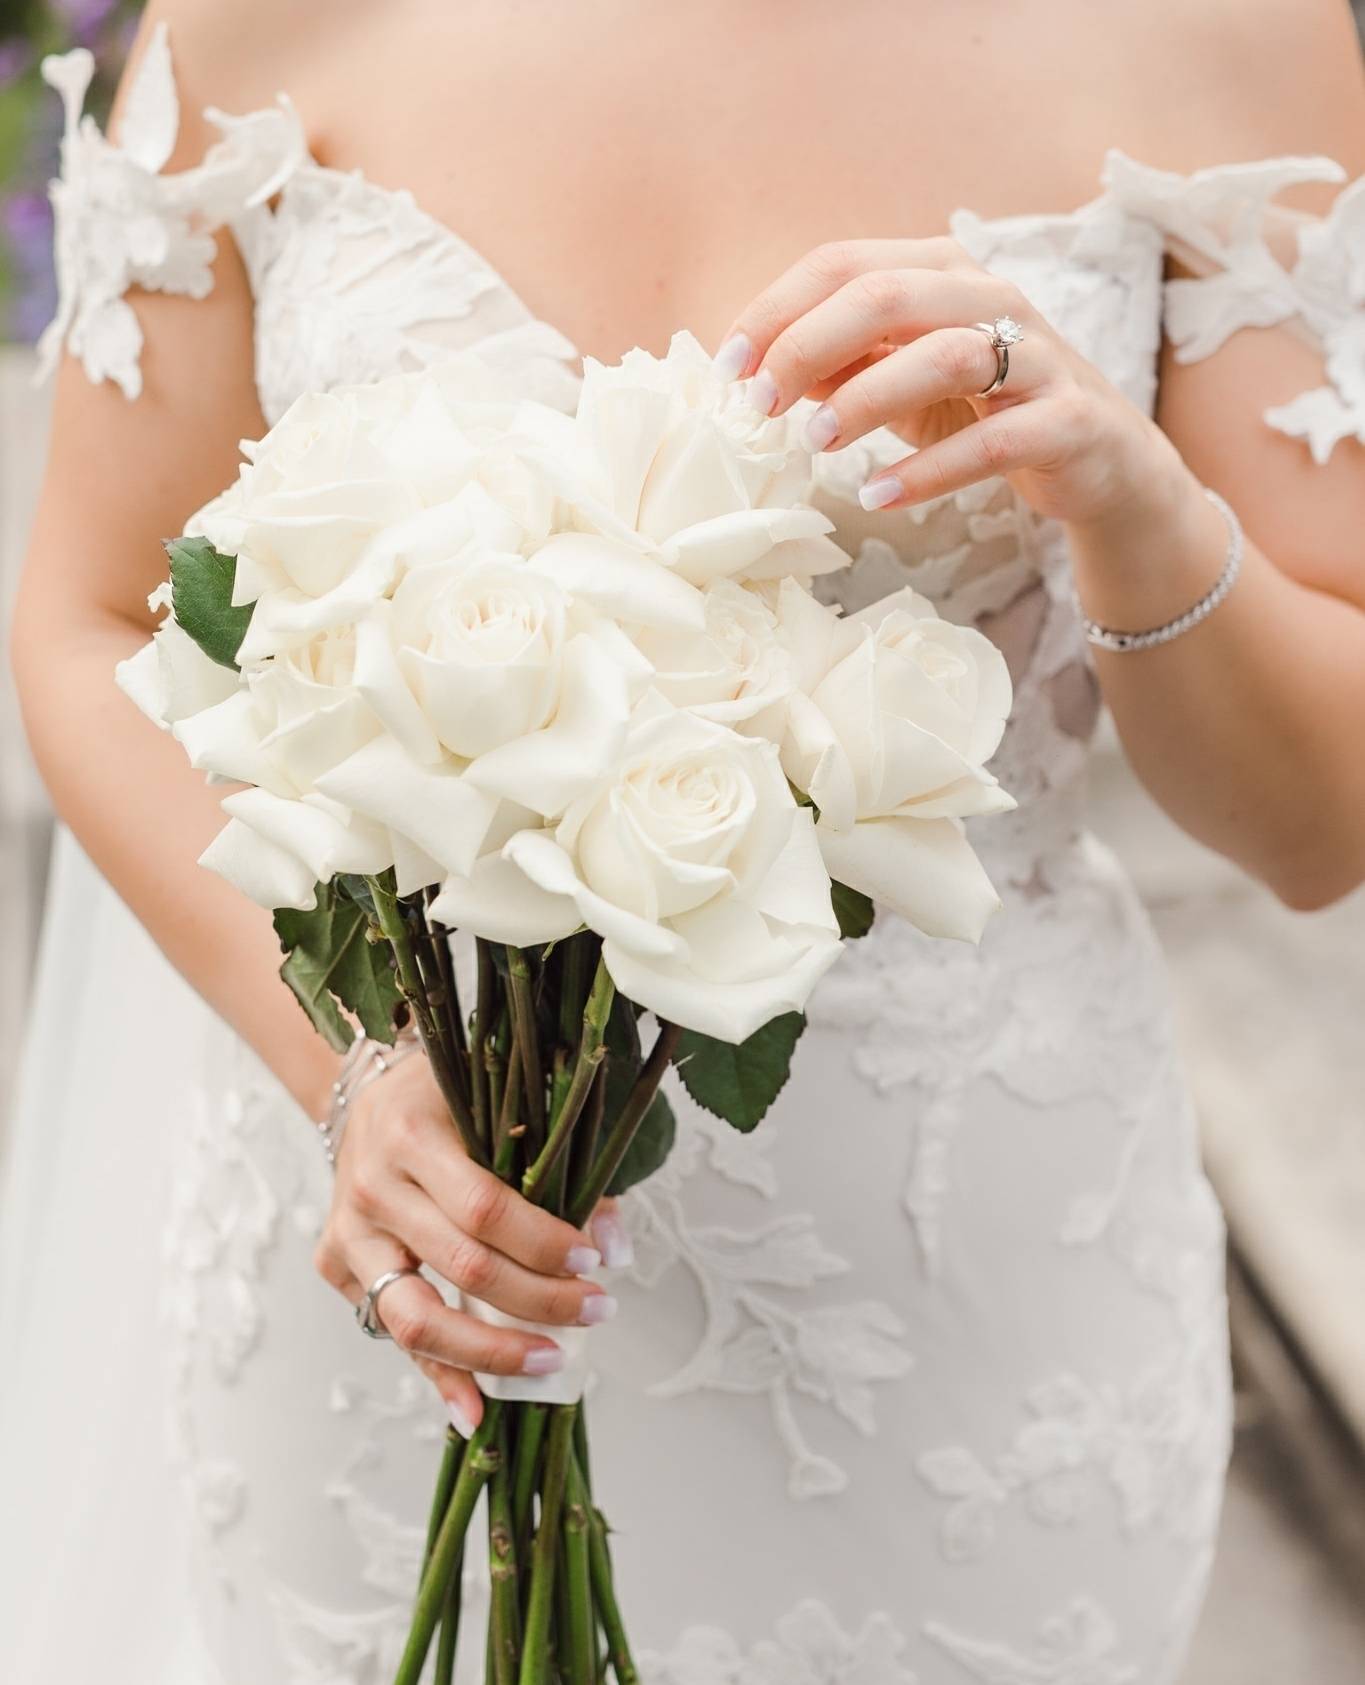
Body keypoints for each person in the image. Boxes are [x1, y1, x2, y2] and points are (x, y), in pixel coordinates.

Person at [4, 0, 1364, 1678]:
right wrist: (350, 1063)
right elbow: (88, 617)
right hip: (407, 1287)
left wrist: (1134, 501)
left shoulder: (1229, 33)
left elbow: (1318, 827)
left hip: (949, 1365)